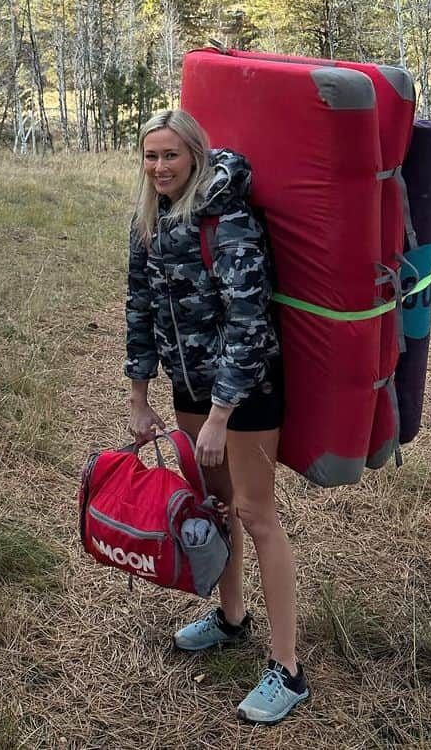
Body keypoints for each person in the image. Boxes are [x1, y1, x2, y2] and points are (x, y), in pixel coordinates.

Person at [124, 108, 310, 726]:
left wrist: (221, 414)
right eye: (151, 157)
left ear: (195, 155)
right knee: (215, 506)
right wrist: (138, 393)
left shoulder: (228, 222)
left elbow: (249, 322)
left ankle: (287, 669)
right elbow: (140, 309)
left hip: (245, 390)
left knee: (257, 515)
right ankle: (232, 619)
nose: (159, 168)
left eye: (170, 156)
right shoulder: (146, 224)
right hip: (189, 386)